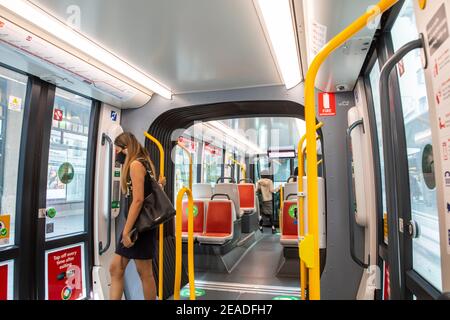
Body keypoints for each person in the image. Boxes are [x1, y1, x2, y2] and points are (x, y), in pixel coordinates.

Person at [109, 132, 166, 300]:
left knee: (144, 273)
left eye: (117, 150)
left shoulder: (135, 164)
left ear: (124, 148)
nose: (117, 154)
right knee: (116, 269)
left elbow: (138, 200)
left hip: (138, 227)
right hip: (139, 225)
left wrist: (126, 232)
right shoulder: (144, 162)